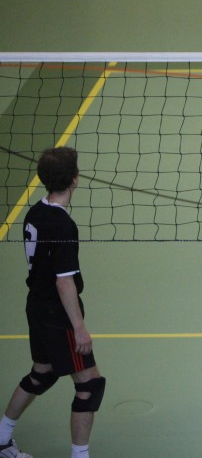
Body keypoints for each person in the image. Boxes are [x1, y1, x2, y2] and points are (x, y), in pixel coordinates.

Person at [1, 147, 106, 458]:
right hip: (58, 316)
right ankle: (79, 455)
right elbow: (64, 282)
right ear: (74, 179)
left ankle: (2, 437)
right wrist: (79, 328)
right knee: (89, 385)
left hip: (36, 305)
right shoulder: (63, 226)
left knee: (43, 372)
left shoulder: (35, 212)